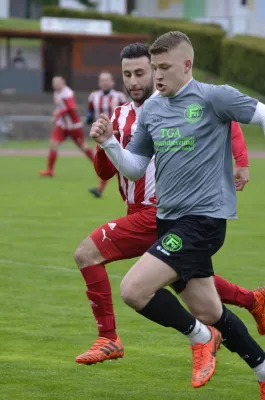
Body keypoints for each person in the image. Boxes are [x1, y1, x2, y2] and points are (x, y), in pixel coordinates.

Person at [75, 43, 265, 389]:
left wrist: (242, 163)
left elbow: (261, 115)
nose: (157, 75)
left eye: (162, 67)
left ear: (187, 65)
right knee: (210, 309)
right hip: (169, 221)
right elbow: (134, 169)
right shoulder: (152, 111)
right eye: (154, 67)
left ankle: (200, 337)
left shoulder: (214, 97)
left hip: (202, 221)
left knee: (134, 289)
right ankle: (262, 369)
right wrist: (108, 144)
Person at [39, 76, 104, 194]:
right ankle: (50, 170)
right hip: (62, 126)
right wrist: (57, 115)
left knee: (84, 147)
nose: (55, 84)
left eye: (57, 82)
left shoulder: (67, 93)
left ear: (63, 82)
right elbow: (60, 107)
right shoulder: (56, 93)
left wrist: (58, 113)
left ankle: (100, 168)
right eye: (54, 83)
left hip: (74, 126)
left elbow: (71, 107)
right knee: (53, 144)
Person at [87, 71, 128, 198]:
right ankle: (122, 191)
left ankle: (102, 189)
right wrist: (89, 118)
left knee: (117, 162)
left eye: (107, 80)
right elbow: (90, 111)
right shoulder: (93, 96)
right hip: (102, 135)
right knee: (111, 163)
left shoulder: (119, 96)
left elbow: (127, 112)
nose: (104, 82)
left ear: (112, 82)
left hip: (117, 133)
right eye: (102, 80)